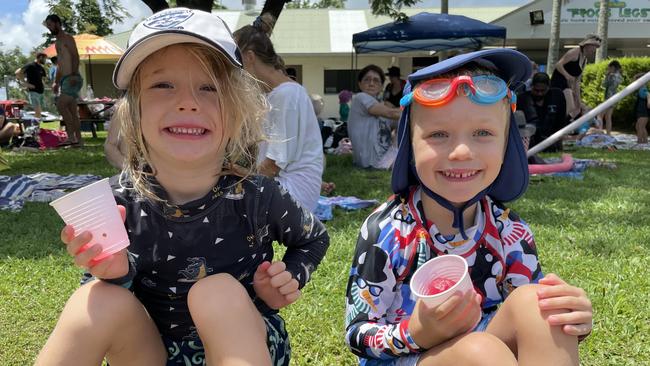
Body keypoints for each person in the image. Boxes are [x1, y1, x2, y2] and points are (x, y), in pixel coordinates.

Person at [35, 8, 329, 366]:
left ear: (237, 112)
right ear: (134, 112)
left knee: (216, 293)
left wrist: (286, 281)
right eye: (162, 85)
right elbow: (110, 297)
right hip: (150, 350)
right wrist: (115, 272)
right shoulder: (116, 202)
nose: (187, 101)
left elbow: (314, 238)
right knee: (95, 300)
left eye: (209, 87)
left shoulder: (259, 195)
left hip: (243, 342)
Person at [345, 49, 593, 366]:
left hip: (490, 348)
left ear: (507, 144)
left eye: (482, 133)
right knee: (480, 352)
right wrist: (416, 333)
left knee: (539, 307)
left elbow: (527, 318)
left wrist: (569, 317)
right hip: (407, 355)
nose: (462, 151)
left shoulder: (509, 231)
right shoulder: (388, 231)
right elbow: (356, 333)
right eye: (438, 134)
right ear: (409, 146)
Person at [234, 15, 324, 212]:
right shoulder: (281, 94)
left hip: (293, 191)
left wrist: (237, 175)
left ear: (249, 57)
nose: (237, 74)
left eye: (238, 65)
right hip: (288, 185)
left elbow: (273, 165)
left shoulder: (286, 94)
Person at [348, 64, 401, 169]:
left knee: (406, 123)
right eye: (367, 80)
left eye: (376, 80)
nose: (371, 84)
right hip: (372, 162)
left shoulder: (381, 106)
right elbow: (392, 114)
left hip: (385, 157)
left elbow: (397, 120)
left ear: (381, 86)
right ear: (360, 84)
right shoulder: (360, 98)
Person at [44, 14, 84, 147]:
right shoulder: (57, 43)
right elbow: (60, 65)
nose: (49, 28)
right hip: (65, 79)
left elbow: (75, 56)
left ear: (57, 23)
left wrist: (73, 74)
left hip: (73, 78)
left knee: (61, 105)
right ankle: (79, 141)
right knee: (72, 111)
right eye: (47, 25)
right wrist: (56, 81)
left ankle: (71, 137)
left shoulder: (68, 38)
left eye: (50, 24)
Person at [551, 34, 601, 120]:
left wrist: (579, 99)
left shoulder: (584, 60)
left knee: (577, 108)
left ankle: (567, 124)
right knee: (570, 107)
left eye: (596, 47)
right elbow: (558, 65)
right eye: (593, 46)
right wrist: (568, 76)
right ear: (587, 44)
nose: (594, 49)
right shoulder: (575, 52)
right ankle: (560, 125)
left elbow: (577, 81)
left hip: (568, 85)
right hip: (559, 82)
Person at [517, 72, 567, 151]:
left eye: (543, 90)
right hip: (532, 140)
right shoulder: (523, 99)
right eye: (536, 90)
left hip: (552, 138)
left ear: (548, 87)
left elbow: (561, 120)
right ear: (531, 87)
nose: (539, 94)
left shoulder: (557, 96)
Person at [15, 52, 47, 119]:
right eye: (44, 59)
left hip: (41, 92)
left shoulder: (41, 68)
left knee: (39, 112)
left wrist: (43, 85)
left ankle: (36, 126)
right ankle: (36, 127)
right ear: (40, 57)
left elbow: (42, 79)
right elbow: (17, 72)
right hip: (34, 92)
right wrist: (25, 83)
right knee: (38, 112)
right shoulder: (31, 65)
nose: (45, 60)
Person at [600, 60, 623, 135]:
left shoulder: (611, 75)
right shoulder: (619, 76)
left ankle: (599, 132)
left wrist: (607, 76)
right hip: (614, 97)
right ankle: (608, 134)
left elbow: (604, 85)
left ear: (612, 67)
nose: (608, 70)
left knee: (600, 115)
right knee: (608, 117)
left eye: (609, 68)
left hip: (608, 98)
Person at [634, 73, 649, 144]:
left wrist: (649, 102)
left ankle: (640, 141)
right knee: (639, 126)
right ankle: (645, 141)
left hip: (643, 112)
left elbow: (648, 94)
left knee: (640, 127)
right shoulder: (641, 90)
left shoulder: (643, 90)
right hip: (641, 111)